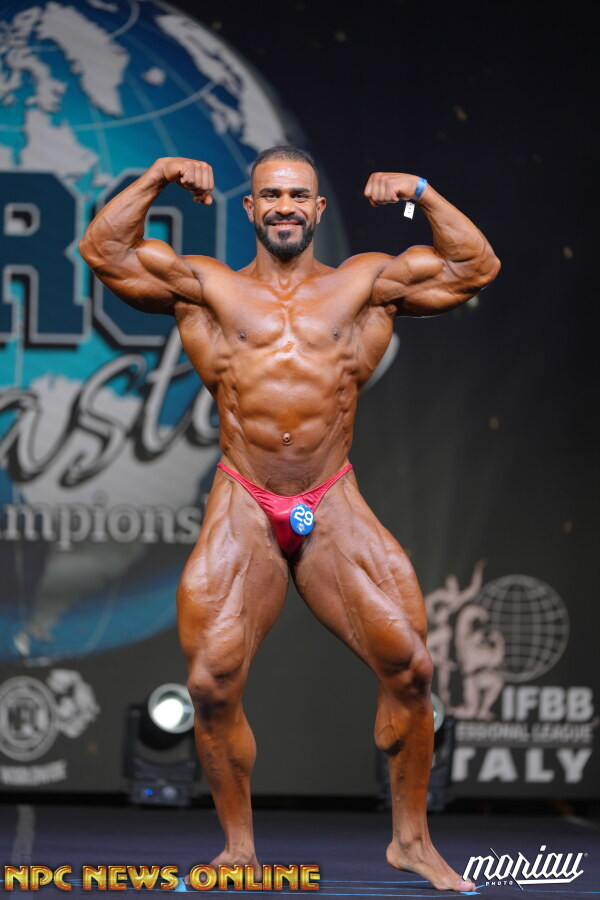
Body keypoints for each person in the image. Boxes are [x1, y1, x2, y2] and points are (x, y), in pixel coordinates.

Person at [79, 146, 500, 892]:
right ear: (250, 208)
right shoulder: (205, 287)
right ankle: (239, 850)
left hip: (331, 497)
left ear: (317, 208)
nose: (283, 206)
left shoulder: (364, 284)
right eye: (270, 195)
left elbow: (475, 267)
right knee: (211, 683)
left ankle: (412, 841)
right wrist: (156, 176)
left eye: (297, 195)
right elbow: (103, 251)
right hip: (244, 497)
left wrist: (422, 192)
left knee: (411, 667)